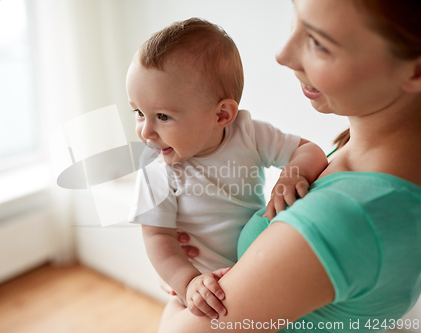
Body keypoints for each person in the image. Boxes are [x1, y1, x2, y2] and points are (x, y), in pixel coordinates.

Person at [156, 0, 421, 332]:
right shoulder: (366, 160)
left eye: (319, 43)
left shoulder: (342, 218)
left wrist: (181, 294)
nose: (283, 55)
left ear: (415, 70)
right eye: (295, 20)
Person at [126, 18, 328, 320]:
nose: (145, 131)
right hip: (206, 287)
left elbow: (309, 151)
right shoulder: (157, 171)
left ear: (222, 114)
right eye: (139, 113)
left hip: (258, 271)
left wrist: (293, 173)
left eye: (163, 116)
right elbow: (158, 238)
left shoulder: (247, 134)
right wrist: (187, 282)